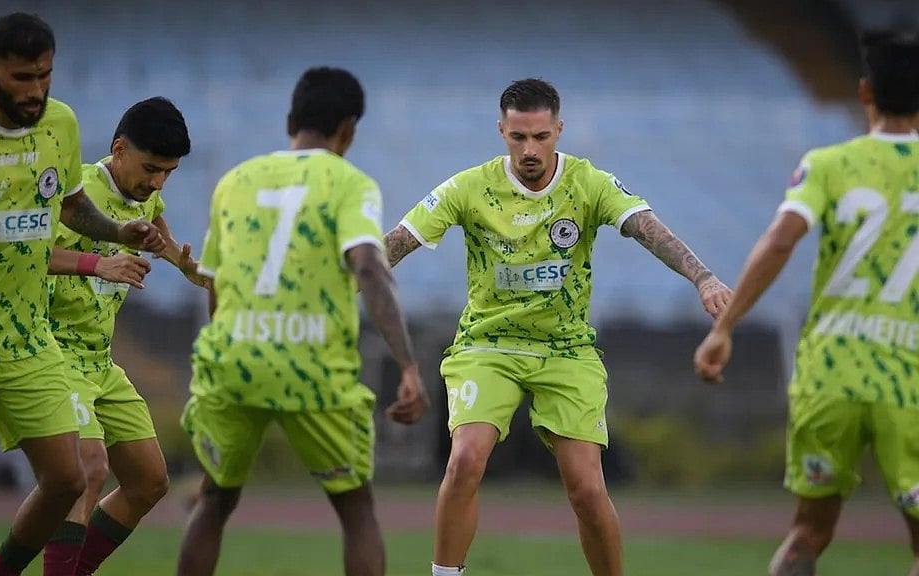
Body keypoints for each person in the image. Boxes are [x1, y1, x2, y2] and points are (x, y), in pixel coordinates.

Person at [383, 78, 732, 576]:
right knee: (465, 460)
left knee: (587, 489)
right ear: (501, 131)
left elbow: (647, 228)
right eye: (518, 137)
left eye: (541, 137)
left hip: (566, 350)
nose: (530, 149)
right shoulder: (468, 187)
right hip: (488, 344)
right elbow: (396, 243)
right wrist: (344, 283)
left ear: (559, 130)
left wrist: (703, 277)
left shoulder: (587, 183)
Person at [0, 13, 164, 576]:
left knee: (69, 480)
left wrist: (119, 232)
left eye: (44, 76)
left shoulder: (60, 124)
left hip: (24, 337)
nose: (36, 91)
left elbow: (70, 206)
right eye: (22, 78)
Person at [176, 66, 429, 576]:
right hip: (312, 365)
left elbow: (217, 285)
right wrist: (408, 365)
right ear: (349, 130)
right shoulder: (349, 182)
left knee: (215, 502)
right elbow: (369, 268)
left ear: (290, 119)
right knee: (357, 511)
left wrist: (228, 350)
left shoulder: (235, 181)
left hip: (235, 359)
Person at [694, 28, 919, 576]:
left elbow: (779, 240)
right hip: (909, 375)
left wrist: (724, 327)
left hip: (830, 371)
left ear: (865, 91)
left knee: (808, 533)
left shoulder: (828, 164)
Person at [0, 96, 200, 575]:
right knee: (87, 467)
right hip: (48, 351)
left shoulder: (143, 193)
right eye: (152, 168)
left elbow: (154, 222)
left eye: (168, 172)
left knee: (149, 482)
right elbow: (24, 254)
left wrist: (184, 264)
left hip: (99, 361)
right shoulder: (77, 190)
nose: (157, 181)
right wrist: (100, 263)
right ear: (118, 149)